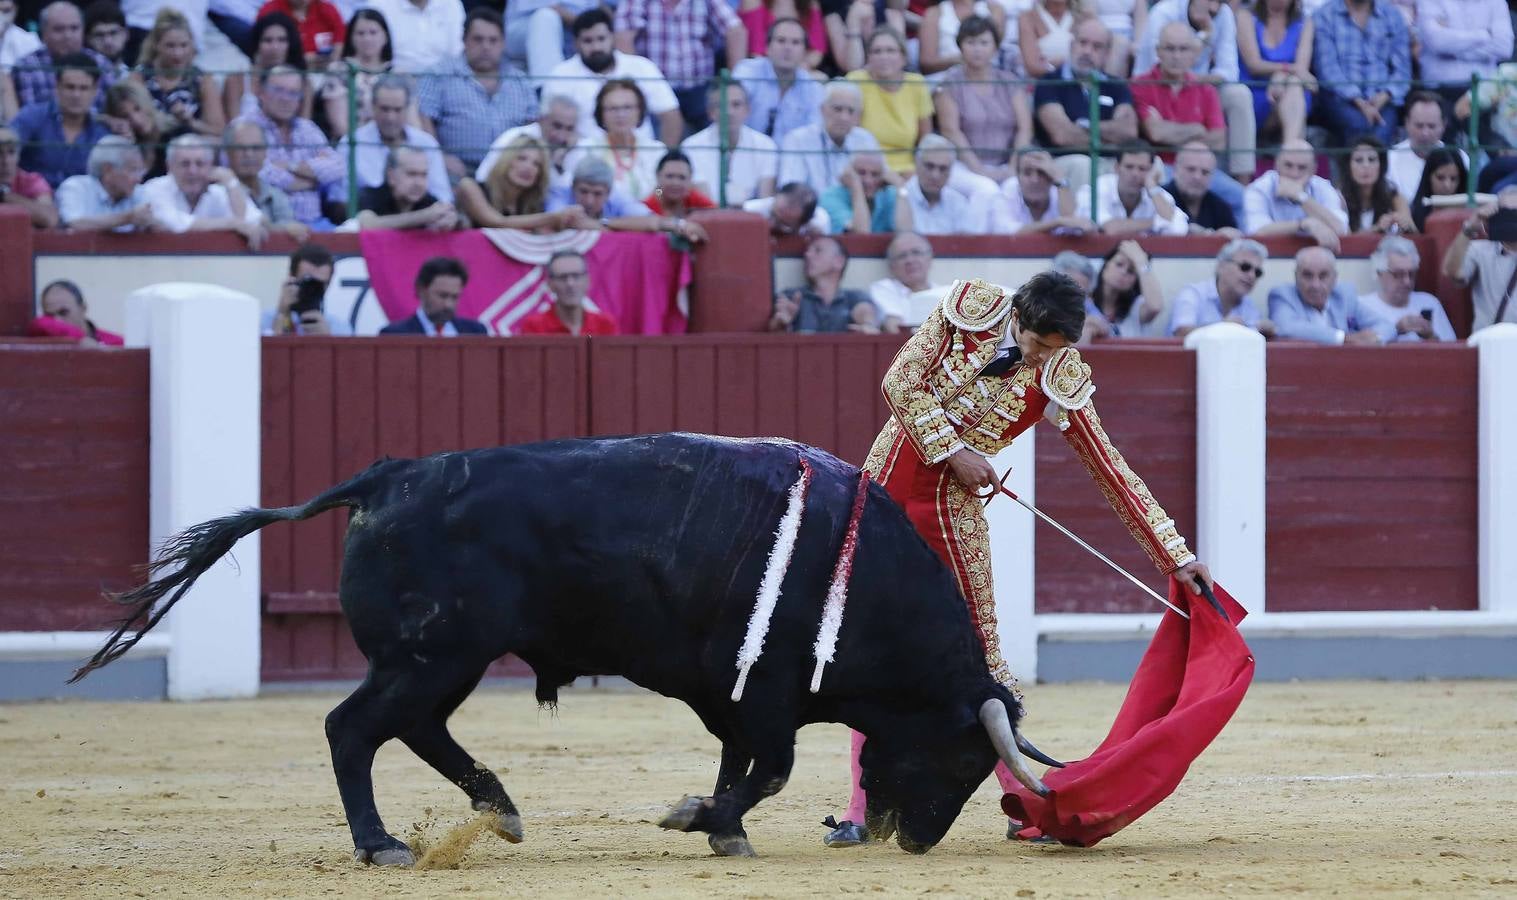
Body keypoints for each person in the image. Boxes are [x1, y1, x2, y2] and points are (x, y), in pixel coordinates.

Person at [821, 269, 1212, 848]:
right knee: (866, 647)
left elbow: (1110, 469)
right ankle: (862, 811)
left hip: (950, 513)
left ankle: (1024, 802)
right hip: (879, 494)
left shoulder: (1060, 373)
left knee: (982, 659)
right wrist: (955, 451)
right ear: (1017, 317)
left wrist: (1174, 555)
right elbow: (900, 382)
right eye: (1031, 343)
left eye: (1050, 350)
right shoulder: (971, 308)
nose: (1035, 357)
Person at [1133, 0, 1255, 181]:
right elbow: (1161, 66)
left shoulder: (1224, 14)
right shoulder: (1164, 12)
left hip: (1200, 89)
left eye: (1219, 2)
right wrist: (1197, 130)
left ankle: (1243, 180)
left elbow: (1229, 72)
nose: (1213, 7)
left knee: (1240, 94)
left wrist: (1191, 81)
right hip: (1154, 89)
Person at [416, 8, 535, 180]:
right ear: (464, 40)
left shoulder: (521, 81)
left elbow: (532, 129)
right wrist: (439, 157)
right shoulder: (439, 74)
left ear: (503, 44)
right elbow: (424, 122)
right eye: (478, 39)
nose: (486, 47)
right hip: (456, 170)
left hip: (508, 171)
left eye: (493, 40)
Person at [547, 8, 683, 148]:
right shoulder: (561, 75)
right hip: (585, 161)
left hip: (640, 159)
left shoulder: (642, 67)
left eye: (601, 39)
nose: (596, 47)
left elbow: (670, 116)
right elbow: (549, 126)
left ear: (612, 37)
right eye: (588, 41)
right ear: (576, 44)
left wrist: (663, 160)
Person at [1032, 18, 1139, 191]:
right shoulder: (1050, 82)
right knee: (1084, 165)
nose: (1087, 51)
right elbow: (1062, 135)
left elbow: (1128, 131)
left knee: (1149, 163)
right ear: (1072, 45)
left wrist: (1084, 125)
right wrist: (1110, 140)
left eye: (1097, 47)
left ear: (1107, 54)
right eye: (1083, 43)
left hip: (1111, 161)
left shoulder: (1116, 86)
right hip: (1065, 162)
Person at [613, 0, 745, 133]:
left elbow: (735, 31)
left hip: (700, 88)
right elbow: (623, 37)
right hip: (655, 89)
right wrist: (636, 84)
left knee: (715, 131)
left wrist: (731, 81)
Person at [934, 16, 1030, 187]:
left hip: (1009, 165)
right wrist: (979, 170)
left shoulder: (1010, 82)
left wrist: (1013, 167)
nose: (977, 49)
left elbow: (1025, 129)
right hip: (963, 166)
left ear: (995, 48)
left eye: (984, 43)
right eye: (971, 42)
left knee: (1014, 187)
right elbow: (951, 132)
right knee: (986, 188)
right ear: (960, 46)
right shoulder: (950, 84)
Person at [245, 65, 343, 227]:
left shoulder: (307, 128)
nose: (286, 98)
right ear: (261, 92)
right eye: (278, 90)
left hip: (317, 224)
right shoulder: (246, 127)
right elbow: (262, 175)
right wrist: (314, 179)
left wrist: (291, 166)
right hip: (271, 226)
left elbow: (338, 167)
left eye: (293, 93)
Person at [335, 74, 451, 205]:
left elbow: (442, 197)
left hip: (421, 220)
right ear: (372, 106)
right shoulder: (350, 143)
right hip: (369, 220)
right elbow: (340, 201)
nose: (391, 118)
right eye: (385, 109)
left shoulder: (427, 143)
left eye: (397, 110)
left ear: (407, 108)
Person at [1311, 0, 1412, 146]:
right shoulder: (1324, 15)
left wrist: (1384, 96)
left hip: (1384, 98)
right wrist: (1359, 101)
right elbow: (1327, 69)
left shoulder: (1393, 16)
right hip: (1340, 97)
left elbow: (1402, 70)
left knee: (1381, 130)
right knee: (1358, 126)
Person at [12, 51, 112, 187]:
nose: (76, 95)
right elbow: (6, 148)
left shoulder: (102, 133)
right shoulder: (32, 116)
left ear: (94, 90)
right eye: (70, 87)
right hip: (31, 202)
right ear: (57, 87)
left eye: (84, 88)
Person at [140, 133, 264, 242]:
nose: (192, 171)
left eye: (200, 164)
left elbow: (250, 222)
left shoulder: (219, 192)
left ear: (210, 166)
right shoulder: (155, 188)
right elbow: (174, 223)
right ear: (169, 167)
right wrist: (231, 224)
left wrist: (231, 182)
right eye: (185, 164)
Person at [454, 133, 588, 231]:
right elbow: (497, 223)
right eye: (521, 158)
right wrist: (553, 217)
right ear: (506, 160)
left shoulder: (534, 205)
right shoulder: (470, 186)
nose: (528, 167)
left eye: (537, 164)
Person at [845, 27, 931, 174]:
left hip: (908, 171)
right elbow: (848, 137)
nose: (883, 57)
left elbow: (925, 141)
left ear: (903, 57)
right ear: (868, 58)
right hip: (865, 170)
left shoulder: (917, 84)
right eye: (876, 51)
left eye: (890, 51)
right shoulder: (855, 81)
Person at [129, 7, 224, 141]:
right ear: (156, 45)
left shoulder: (202, 79)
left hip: (190, 149)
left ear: (192, 45)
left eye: (184, 45)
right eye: (170, 46)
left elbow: (218, 130)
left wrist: (190, 122)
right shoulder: (139, 77)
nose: (178, 54)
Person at [775, 78, 881, 197]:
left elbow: (880, 183)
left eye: (851, 111)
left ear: (858, 117)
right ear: (822, 110)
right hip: (812, 212)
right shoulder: (798, 140)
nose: (844, 117)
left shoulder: (865, 140)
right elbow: (791, 190)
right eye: (837, 109)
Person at [681, 81, 778, 206]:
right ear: (710, 112)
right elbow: (703, 202)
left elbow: (766, 199)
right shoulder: (691, 147)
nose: (729, 112)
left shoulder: (766, 146)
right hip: (706, 218)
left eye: (736, 105)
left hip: (751, 220)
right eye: (721, 105)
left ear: (747, 110)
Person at [1267, 246, 1388, 345]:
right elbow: (1286, 327)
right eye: (1307, 275)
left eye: (1323, 276)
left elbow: (1386, 326)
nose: (1315, 284)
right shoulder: (1282, 295)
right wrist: (1344, 338)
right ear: (1296, 277)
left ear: (1334, 278)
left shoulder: (1344, 295)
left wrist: (1374, 338)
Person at [732, 16, 825, 144]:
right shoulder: (747, 72)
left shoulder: (813, 88)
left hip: (792, 159)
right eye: (781, 41)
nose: (788, 48)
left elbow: (813, 136)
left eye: (796, 42)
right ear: (767, 47)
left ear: (804, 52)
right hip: (747, 154)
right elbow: (732, 118)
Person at [1242, 139, 1347, 251]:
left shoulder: (1323, 187)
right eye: (1288, 165)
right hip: (1271, 257)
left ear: (1313, 170)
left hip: (1315, 257)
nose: (1294, 173)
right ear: (1276, 164)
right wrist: (1303, 225)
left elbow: (1341, 229)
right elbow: (1256, 232)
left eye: (1302, 168)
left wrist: (1301, 197)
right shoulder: (1258, 189)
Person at [12, 1, 119, 111]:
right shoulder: (27, 68)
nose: (68, 36)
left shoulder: (101, 63)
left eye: (74, 28)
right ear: (43, 33)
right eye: (59, 29)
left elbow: (114, 112)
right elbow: (29, 118)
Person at [1415, 0, 1511, 121]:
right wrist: (1484, 34)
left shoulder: (1496, 3)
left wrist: (1452, 49)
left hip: (1483, 92)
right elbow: (1437, 42)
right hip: (1439, 92)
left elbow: (1504, 48)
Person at [1235, 0, 1314, 145]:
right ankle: (1293, 150)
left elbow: (1302, 67)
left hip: (1287, 88)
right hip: (1254, 91)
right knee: (1294, 86)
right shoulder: (1245, 17)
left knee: (1295, 86)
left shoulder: (1305, 23)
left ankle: (1290, 150)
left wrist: (1281, 77)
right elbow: (1254, 64)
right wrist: (1283, 71)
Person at [575, 79, 668, 202]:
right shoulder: (586, 149)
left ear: (639, 111)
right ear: (601, 114)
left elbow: (661, 189)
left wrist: (657, 196)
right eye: (613, 109)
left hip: (651, 215)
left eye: (628, 107)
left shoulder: (657, 150)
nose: (621, 115)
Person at [767, 235, 879, 332]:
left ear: (839, 261)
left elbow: (865, 313)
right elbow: (773, 334)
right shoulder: (790, 296)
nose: (808, 255)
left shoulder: (855, 297)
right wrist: (781, 324)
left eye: (818, 250)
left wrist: (868, 325)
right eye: (807, 251)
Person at [475, 93, 584, 193]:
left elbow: (566, 196)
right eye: (557, 126)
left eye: (569, 129)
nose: (562, 136)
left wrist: (558, 166)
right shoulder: (513, 138)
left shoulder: (577, 148)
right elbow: (483, 178)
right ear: (541, 119)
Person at [1168, 237, 1276, 338]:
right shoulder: (1193, 294)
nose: (1251, 276)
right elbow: (1181, 334)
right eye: (1245, 267)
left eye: (1257, 272)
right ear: (1221, 266)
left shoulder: (1249, 307)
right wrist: (1223, 327)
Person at [223, 117, 309, 240]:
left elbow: (292, 227)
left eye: (256, 148)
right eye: (241, 148)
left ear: (265, 152)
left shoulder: (275, 194)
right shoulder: (219, 192)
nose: (249, 154)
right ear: (228, 153)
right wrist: (283, 229)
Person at [1357, 234, 1456, 341]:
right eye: (1398, 274)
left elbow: (1451, 350)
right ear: (1379, 273)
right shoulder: (1362, 306)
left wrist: (1430, 336)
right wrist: (1395, 330)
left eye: (1411, 274)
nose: (1407, 281)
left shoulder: (1429, 302)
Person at [1443, 189, 1517, 331]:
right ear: (1496, 215)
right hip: (1488, 343)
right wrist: (1470, 228)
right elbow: (1453, 273)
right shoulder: (1480, 250)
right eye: (1507, 214)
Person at [1076, 143, 1188, 235]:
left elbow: (1178, 230)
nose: (1135, 174)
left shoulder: (1156, 193)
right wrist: (1157, 222)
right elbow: (1110, 228)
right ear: (1117, 168)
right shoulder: (1096, 190)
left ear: (1151, 171)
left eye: (1142, 169)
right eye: (1129, 167)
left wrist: (1153, 188)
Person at [970, 148, 1090, 234]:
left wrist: (1060, 180)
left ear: (1051, 177)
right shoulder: (1010, 189)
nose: (1035, 180)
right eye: (1027, 173)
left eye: (1042, 173)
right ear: (1017, 177)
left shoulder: (1059, 190)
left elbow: (1072, 223)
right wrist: (1056, 223)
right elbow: (1009, 231)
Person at [319, 7, 394, 141]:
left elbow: (412, 122)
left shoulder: (398, 73)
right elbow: (340, 126)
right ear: (351, 38)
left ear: (385, 37)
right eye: (360, 33)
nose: (367, 38)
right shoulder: (339, 71)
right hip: (353, 147)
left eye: (373, 32)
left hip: (394, 148)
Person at [55, 132, 157, 230]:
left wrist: (153, 223)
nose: (138, 178)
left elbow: (161, 226)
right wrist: (128, 218)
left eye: (140, 171)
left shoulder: (139, 192)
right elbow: (75, 224)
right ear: (107, 170)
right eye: (132, 170)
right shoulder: (76, 187)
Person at [514, 249, 621, 335]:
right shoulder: (533, 326)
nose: (570, 283)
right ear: (550, 284)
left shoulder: (605, 325)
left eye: (576, 276)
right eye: (562, 277)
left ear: (588, 281)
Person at [352, 145, 458, 231]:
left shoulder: (428, 201)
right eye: (411, 174)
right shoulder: (371, 196)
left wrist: (453, 221)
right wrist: (424, 216)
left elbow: (461, 222)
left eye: (423, 175)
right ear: (391, 176)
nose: (419, 183)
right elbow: (367, 224)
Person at [223, 12, 304, 122]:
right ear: (257, 43)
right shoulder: (238, 79)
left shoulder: (303, 81)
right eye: (267, 40)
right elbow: (233, 126)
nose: (275, 47)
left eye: (282, 40)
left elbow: (304, 125)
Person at [379, 255, 488, 336]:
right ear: (421, 290)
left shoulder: (475, 332)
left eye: (455, 297)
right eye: (442, 296)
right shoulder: (395, 335)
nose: (448, 305)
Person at [1389, 93, 1468, 203]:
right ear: (1406, 123)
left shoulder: (1460, 157)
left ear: (1443, 125)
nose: (1425, 133)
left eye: (1431, 126)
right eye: (1419, 126)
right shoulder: (1390, 159)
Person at [1082, 240, 1165, 339]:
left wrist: (1140, 260)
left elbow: (1155, 307)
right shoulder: (1084, 302)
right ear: (1105, 265)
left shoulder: (1137, 308)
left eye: (1131, 271)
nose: (1123, 272)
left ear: (1135, 281)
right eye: (1119, 264)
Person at [266, 242, 352, 335]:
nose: (312, 288)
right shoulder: (264, 320)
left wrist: (328, 339)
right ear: (291, 277)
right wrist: (283, 312)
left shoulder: (339, 327)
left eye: (319, 284)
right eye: (308, 281)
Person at [503, 0, 603, 79]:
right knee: (546, 17)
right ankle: (548, 90)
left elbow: (597, 19)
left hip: (576, 38)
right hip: (522, 31)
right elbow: (554, 9)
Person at [818, 149, 910, 233]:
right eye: (861, 173)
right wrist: (856, 187)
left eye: (875, 174)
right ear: (849, 173)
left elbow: (906, 232)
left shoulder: (889, 194)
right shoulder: (831, 197)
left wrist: (900, 186)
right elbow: (861, 234)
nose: (868, 181)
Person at [361, 0, 464, 75]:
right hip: (392, 81)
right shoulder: (378, 5)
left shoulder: (452, 4)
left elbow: (457, 53)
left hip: (443, 81)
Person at [1338, 135, 1414, 234]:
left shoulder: (1394, 197)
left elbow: (1416, 234)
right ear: (1348, 166)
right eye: (1359, 160)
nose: (1366, 166)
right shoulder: (1338, 198)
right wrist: (1376, 228)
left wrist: (1405, 223)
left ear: (1381, 165)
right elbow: (1345, 239)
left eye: (1372, 160)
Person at [1162, 139, 1239, 237]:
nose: (1197, 177)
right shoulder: (1158, 199)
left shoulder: (1221, 208)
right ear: (1176, 169)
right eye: (1191, 169)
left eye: (1205, 172)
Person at [869, 230, 938, 332]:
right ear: (892, 266)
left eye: (916, 252)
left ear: (930, 258)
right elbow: (894, 328)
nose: (910, 260)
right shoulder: (884, 289)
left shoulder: (947, 293)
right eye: (902, 256)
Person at [901, 135, 969, 235]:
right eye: (929, 166)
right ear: (916, 163)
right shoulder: (901, 198)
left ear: (951, 171)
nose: (935, 175)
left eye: (943, 169)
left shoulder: (958, 203)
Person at [919, 0, 1007, 76]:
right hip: (945, 79)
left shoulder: (994, 10)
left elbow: (995, 50)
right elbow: (926, 63)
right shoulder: (934, 13)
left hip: (988, 77)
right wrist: (964, 58)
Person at [738, 0, 827, 70]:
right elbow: (756, 52)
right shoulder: (753, 2)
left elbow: (817, 50)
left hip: (800, 68)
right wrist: (782, 69)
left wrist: (801, 65)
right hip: (762, 71)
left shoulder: (810, 4)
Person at [27, 278, 122, 344]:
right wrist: (80, 338)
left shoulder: (116, 343)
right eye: (50, 316)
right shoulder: (45, 338)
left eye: (63, 313)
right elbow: (38, 323)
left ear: (83, 308)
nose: (57, 321)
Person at [0, 124, 59, 227]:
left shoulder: (32, 180)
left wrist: (3, 195)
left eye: (11, 152)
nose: (6, 161)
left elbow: (50, 218)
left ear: (18, 156)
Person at [255, 0, 345, 66]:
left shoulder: (328, 9)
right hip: (282, 75)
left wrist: (332, 62)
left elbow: (340, 43)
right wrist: (302, 59)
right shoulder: (270, 10)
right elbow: (259, 55)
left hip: (324, 74)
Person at [1407, 146, 1466, 234]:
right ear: (1428, 177)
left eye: (1453, 179)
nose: (1447, 185)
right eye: (1440, 178)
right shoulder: (1412, 213)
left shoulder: (1470, 213)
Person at [744, 180, 831, 234]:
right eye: (774, 214)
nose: (776, 222)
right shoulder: (750, 210)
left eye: (784, 222)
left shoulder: (819, 221)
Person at [1017, 0, 1078, 77]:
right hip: (1042, 85)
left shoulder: (1083, 18)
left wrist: (1050, 64)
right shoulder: (1027, 18)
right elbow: (1032, 67)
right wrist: (1069, 64)